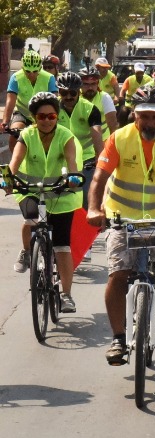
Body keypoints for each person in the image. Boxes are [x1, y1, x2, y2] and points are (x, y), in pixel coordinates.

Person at [86, 86, 155, 365]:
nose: (150, 123)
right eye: (144, 116)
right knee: (118, 275)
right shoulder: (118, 139)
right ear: (134, 114)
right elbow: (99, 179)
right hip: (124, 218)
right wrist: (93, 208)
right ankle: (118, 339)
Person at [7, 92, 82, 316]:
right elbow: (14, 162)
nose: (47, 120)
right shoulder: (26, 135)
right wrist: (8, 180)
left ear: (57, 117)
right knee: (31, 218)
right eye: (41, 117)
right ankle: (27, 251)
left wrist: (73, 178)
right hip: (30, 190)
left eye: (51, 116)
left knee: (61, 246)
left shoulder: (66, 136)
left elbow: (72, 162)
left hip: (61, 193)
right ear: (33, 118)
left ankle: (66, 294)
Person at [56, 72, 104, 212]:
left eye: (72, 93)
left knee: (84, 200)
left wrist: (100, 163)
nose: (68, 97)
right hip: (59, 158)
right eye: (64, 93)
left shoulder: (90, 109)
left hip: (85, 160)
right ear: (59, 91)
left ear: (79, 91)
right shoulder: (52, 107)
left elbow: (98, 141)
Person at [2, 49, 59, 152]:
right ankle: (16, 164)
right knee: (15, 134)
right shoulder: (15, 78)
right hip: (22, 112)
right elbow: (10, 101)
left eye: (35, 71)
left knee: (48, 137)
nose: (31, 74)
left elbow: (54, 103)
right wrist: (5, 123)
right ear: (23, 68)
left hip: (42, 114)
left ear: (40, 68)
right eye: (28, 71)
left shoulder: (49, 78)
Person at [79, 67, 118, 142]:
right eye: (86, 84)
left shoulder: (104, 97)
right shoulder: (75, 97)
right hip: (80, 145)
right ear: (80, 85)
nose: (90, 87)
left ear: (98, 83)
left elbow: (113, 125)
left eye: (93, 84)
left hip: (103, 142)